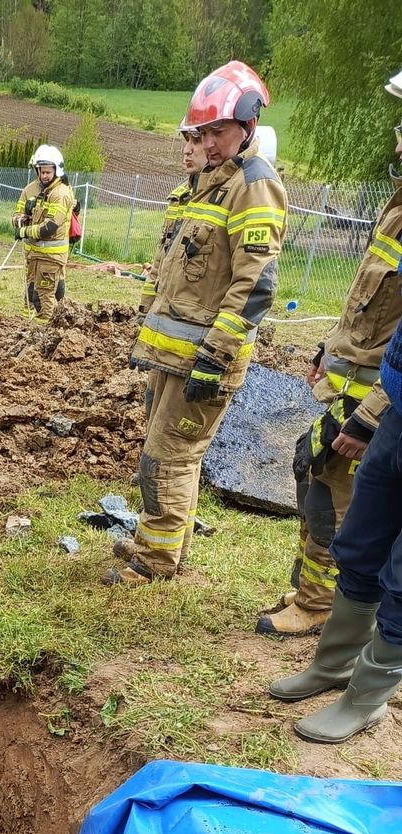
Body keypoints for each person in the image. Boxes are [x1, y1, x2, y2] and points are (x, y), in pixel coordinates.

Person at [105, 62, 287, 586]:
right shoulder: (210, 181)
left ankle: (157, 562)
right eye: (203, 132)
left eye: (217, 132)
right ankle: (159, 544)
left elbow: (256, 285)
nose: (206, 143)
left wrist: (216, 354)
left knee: (169, 456)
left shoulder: (254, 186)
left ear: (248, 125)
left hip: (205, 357)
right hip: (171, 351)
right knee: (164, 454)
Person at [257, 86, 402, 637]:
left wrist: (372, 414)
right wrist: (330, 344)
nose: (399, 142)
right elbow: (373, 303)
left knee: (335, 486)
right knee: (315, 466)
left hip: (381, 396)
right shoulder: (398, 206)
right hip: (357, 380)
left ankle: (325, 604)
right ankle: (315, 594)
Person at [266, 305, 402, 744]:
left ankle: (367, 700)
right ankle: (335, 663)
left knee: (401, 579)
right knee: (360, 542)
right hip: (398, 410)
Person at [138, 129, 207, 318]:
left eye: (197, 141)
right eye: (187, 141)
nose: (187, 150)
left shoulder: (227, 201)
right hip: (162, 315)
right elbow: (161, 259)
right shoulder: (180, 197)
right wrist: (144, 310)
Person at [12, 144, 76, 322]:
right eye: (41, 171)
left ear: (57, 170)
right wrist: (21, 218)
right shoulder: (30, 190)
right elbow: (15, 216)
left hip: (51, 257)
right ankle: (24, 326)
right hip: (33, 256)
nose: (44, 175)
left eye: (48, 172)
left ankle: (43, 335)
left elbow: (50, 228)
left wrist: (24, 230)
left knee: (44, 299)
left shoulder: (61, 193)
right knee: (30, 292)